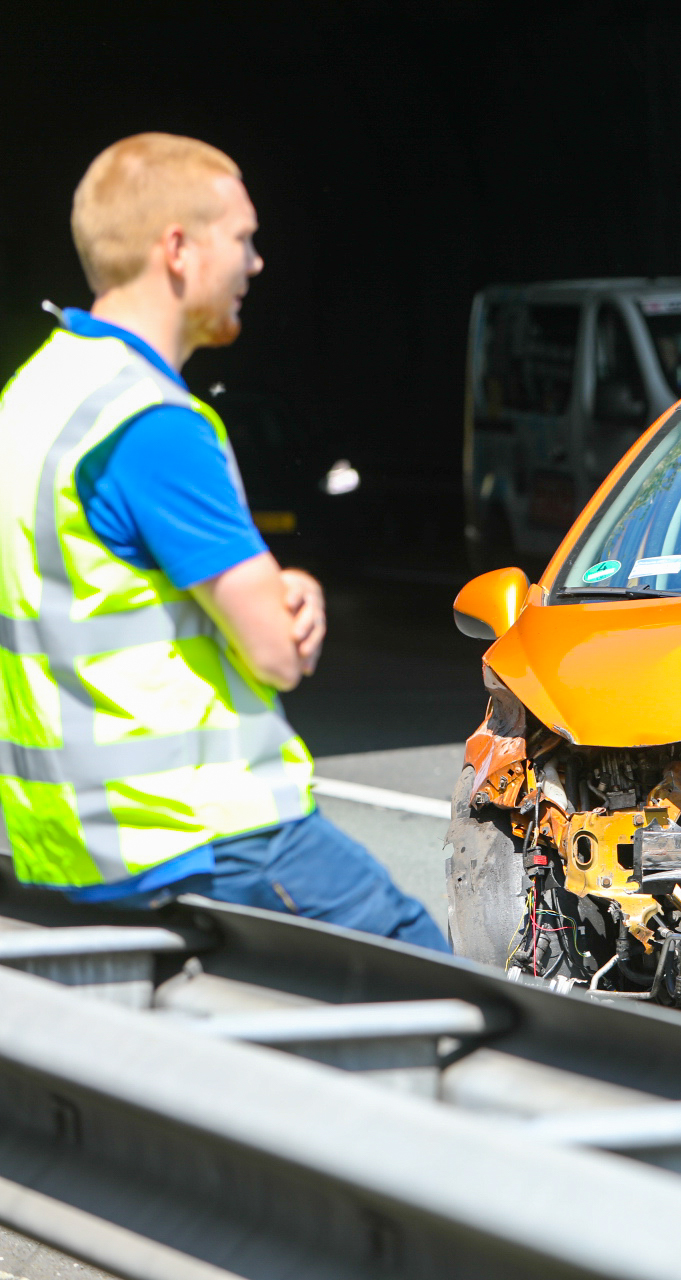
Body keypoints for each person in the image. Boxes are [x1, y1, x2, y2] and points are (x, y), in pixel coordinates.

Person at [0, 133, 447, 951]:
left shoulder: (36, 395)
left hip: (67, 840)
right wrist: (291, 609)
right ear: (177, 249)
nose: (257, 264)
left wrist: (285, 587)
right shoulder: (153, 427)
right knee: (436, 973)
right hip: (205, 830)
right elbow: (277, 654)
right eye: (242, 239)